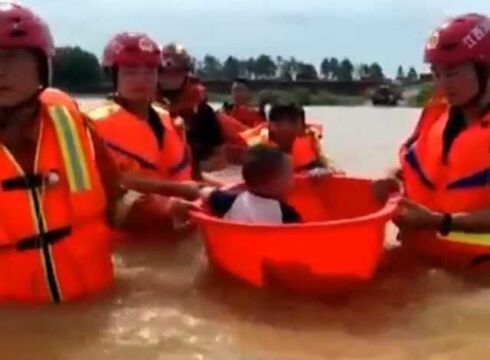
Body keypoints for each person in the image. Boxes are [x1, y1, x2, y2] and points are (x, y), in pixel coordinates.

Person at [0, 3, 200, 303]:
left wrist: (166, 212)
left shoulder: (73, 125)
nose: (0, 69)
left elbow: (115, 199)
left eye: (11, 56)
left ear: (41, 65)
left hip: (93, 308)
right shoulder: (100, 120)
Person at [373, 13, 490, 267]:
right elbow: (417, 169)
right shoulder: (436, 114)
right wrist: (390, 180)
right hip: (420, 254)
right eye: (436, 74)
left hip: (477, 272)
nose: (443, 83)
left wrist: (439, 221)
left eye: (453, 72)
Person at [87, 33, 194, 232]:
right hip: (127, 239)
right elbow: (111, 182)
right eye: (130, 71)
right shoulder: (92, 124)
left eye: (149, 71)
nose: (141, 80)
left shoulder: (171, 121)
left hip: (182, 224)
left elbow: (190, 177)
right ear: (114, 76)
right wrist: (179, 192)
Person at [158, 43, 226, 178]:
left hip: (189, 177)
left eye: (176, 73)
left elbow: (221, 158)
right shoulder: (143, 106)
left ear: (186, 73)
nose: (169, 78)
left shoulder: (202, 111)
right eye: (164, 73)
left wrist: (194, 168)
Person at [200, 145, 301, 224]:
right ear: (279, 183)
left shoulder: (235, 200)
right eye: (290, 175)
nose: (293, 180)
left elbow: (209, 195)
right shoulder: (287, 214)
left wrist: (202, 190)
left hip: (235, 247)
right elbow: (303, 237)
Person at [240, 103, 329, 172]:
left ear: (303, 127)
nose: (285, 128)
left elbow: (327, 169)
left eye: (292, 122)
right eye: (279, 122)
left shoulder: (312, 147)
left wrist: (321, 172)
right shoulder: (258, 150)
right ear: (269, 126)